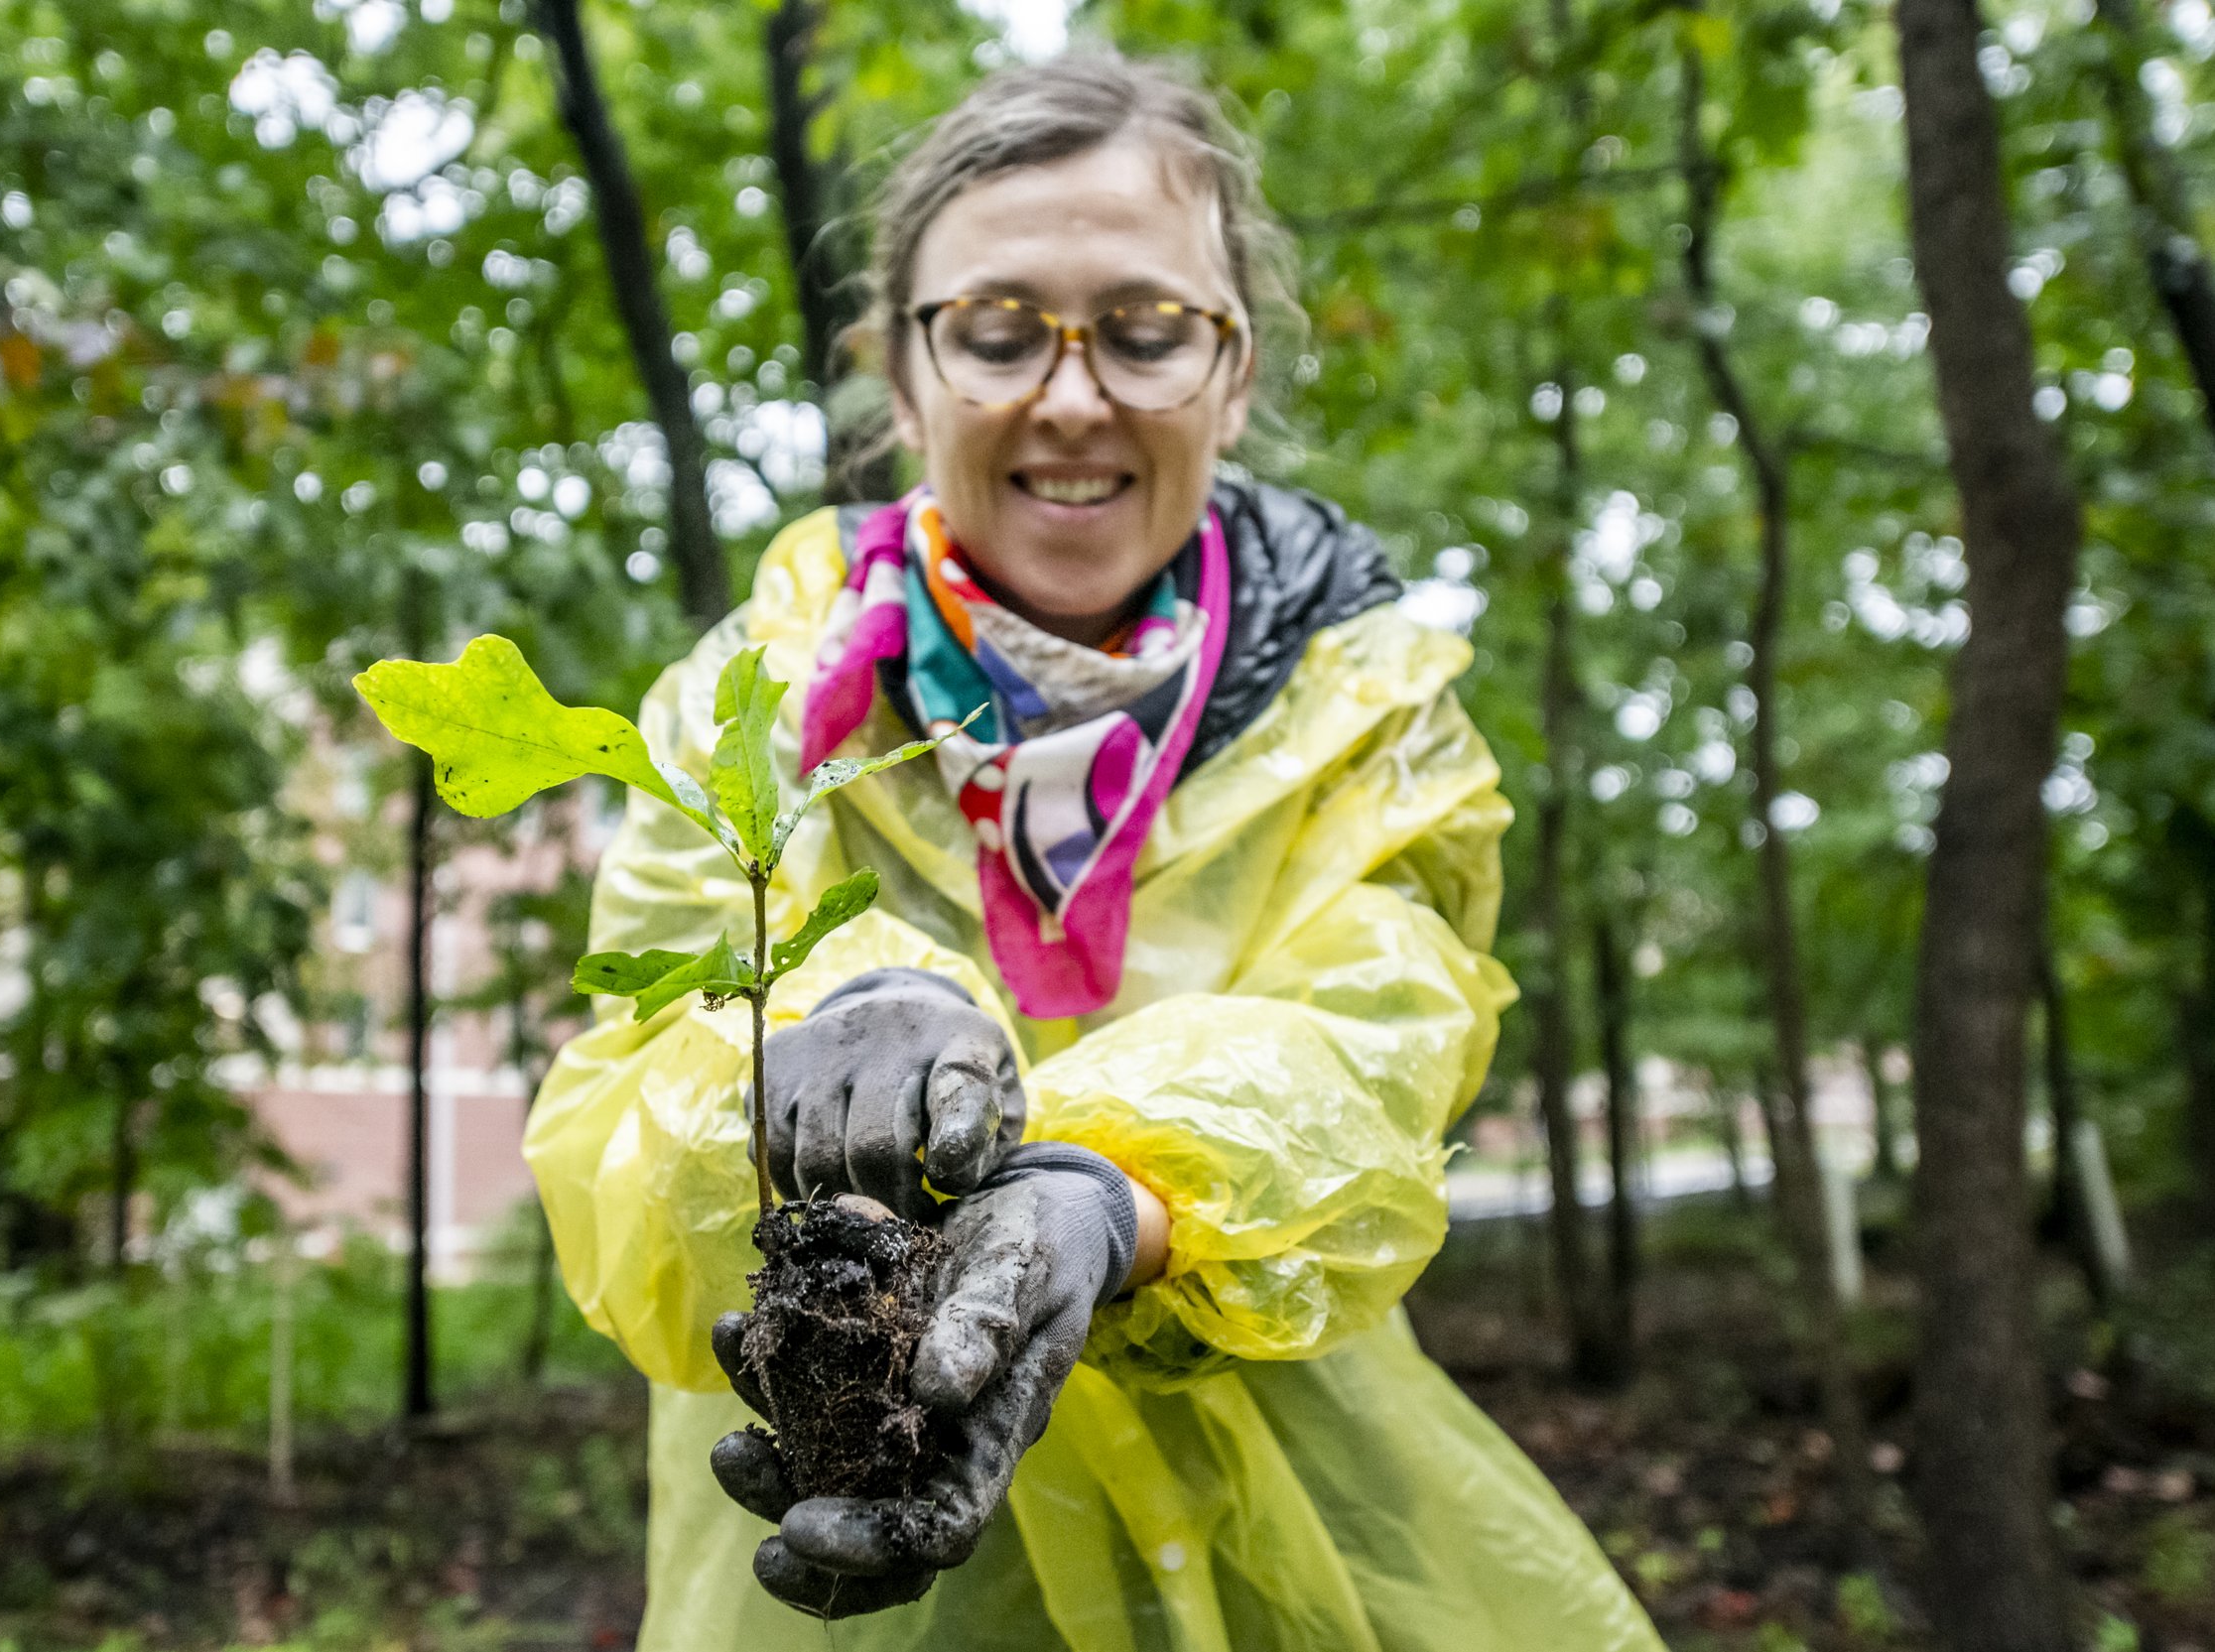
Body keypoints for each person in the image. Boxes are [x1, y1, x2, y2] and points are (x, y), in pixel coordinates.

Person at [526, 52, 1667, 1652]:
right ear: (902, 375)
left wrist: (1106, 1197)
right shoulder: (754, 708)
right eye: (998, 332)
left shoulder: (1373, 712)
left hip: (1305, 1558)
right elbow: (615, 1129)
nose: (1071, 396)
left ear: (1234, 372)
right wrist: (783, 1071)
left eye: (1144, 332)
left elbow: (1383, 1045)